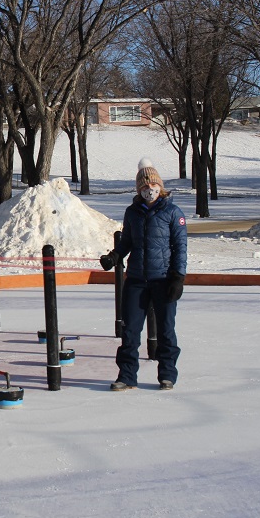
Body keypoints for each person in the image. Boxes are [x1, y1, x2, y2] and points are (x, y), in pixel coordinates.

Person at [100, 158, 187, 391]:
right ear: (139, 189)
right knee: (130, 332)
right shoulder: (133, 212)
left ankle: (167, 374)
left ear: (160, 186)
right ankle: (127, 376)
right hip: (137, 280)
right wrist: (115, 256)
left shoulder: (172, 212)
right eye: (145, 186)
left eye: (153, 185)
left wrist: (178, 277)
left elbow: (180, 247)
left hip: (163, 279)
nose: (150, 190)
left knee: (166, 330)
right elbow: (127, 241)